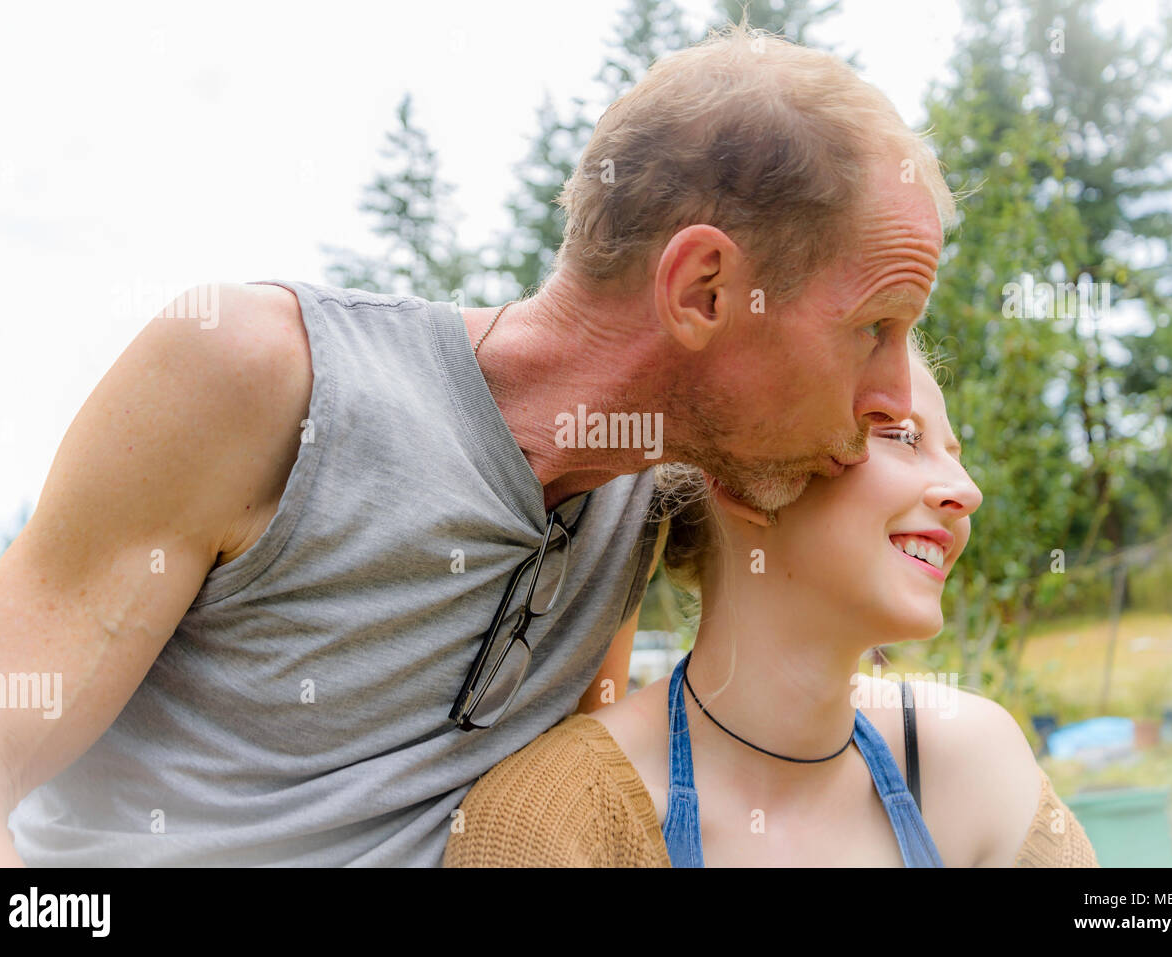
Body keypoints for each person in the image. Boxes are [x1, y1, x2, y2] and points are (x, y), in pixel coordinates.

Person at [0, 21, 952, 866]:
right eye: (877, 327)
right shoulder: (260, 375)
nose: (894, 392)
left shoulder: (633, 506)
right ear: (702, 290)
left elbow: (571, 794)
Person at [444, 342, 1099, 867]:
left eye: (955, 454)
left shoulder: (972, 760)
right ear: (748, 479)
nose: (966, 489)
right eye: (901, 436)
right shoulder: (550, 826)